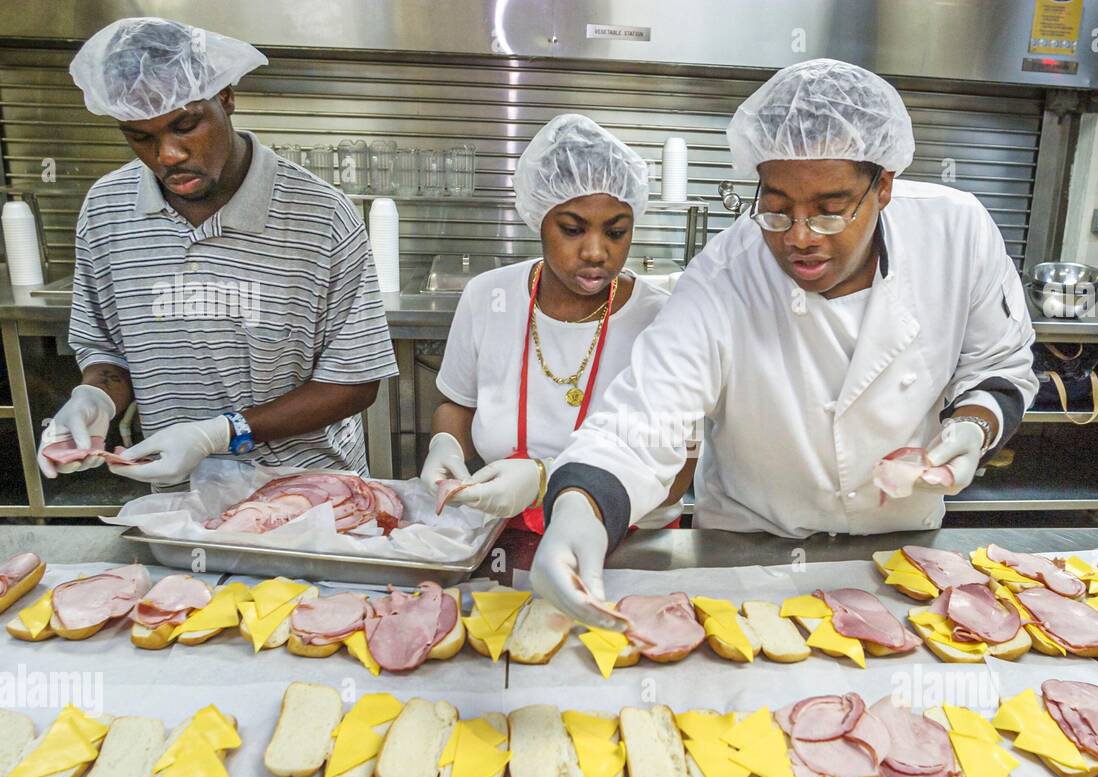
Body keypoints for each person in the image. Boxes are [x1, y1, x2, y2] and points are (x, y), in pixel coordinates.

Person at [530, 59, 1038, 627]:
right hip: (748, 554)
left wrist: (975, 425)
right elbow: (647, 417)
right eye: (776, 208)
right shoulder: (725, 274)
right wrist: (581, 507)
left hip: (900, 555)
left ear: (884, 186)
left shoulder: (955, 231)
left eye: (829, 211)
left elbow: (999, 364)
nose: (799, 237)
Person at [41, 17, 398, 487]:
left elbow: (353, 381)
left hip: (309, 492)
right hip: (177, 496)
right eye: (140, 137)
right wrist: (96, 400)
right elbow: (109, 352)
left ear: (225, 96)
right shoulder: (108, 209)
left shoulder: (319, 214)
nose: (167, 154)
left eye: (185, 125)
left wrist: (222, 432)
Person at [420, 113, 692, 532]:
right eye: (572, 229)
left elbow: (677, 475)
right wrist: (446, 446)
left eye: (616, 232)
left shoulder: (663, 319)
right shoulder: (489, 297)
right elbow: (457, 403)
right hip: (503, 528)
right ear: (538, 219)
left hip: (626, 537)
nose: (596, 252)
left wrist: (545, 479)